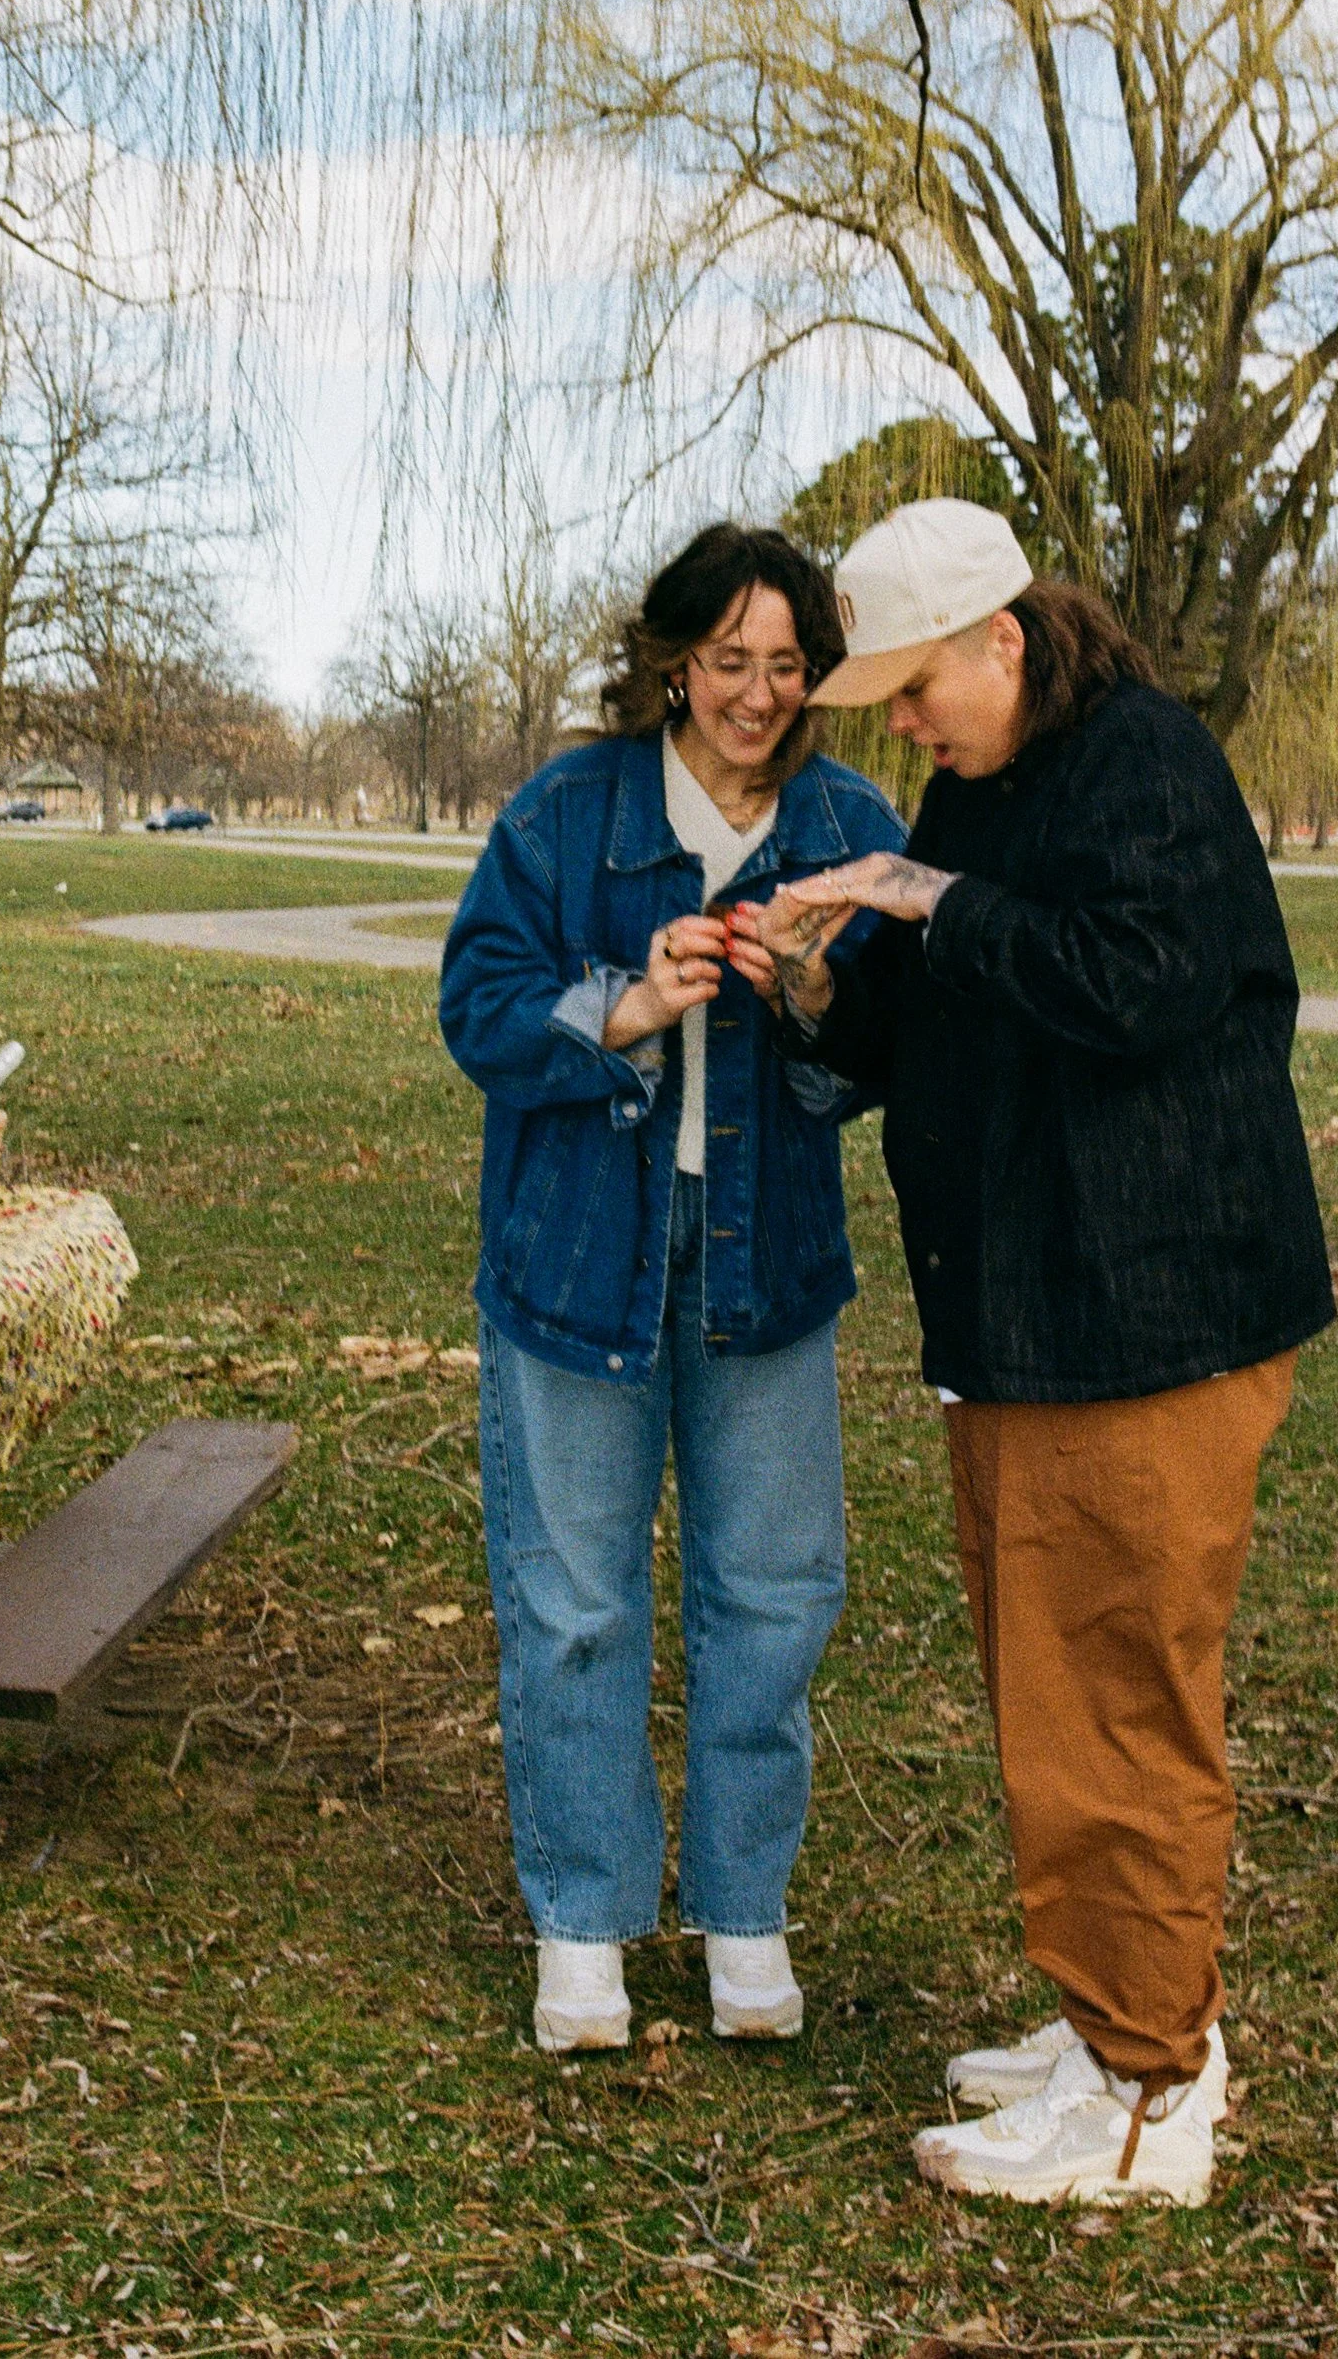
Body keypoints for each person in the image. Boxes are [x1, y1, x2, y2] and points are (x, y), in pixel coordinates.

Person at [726, 498, 1334, 2210]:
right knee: (1056, 1691)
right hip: (1028, 1320)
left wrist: (922, 891)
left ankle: (1145, 2105)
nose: (899, 727)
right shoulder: (988, 784)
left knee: (1116, 1702)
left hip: (1144, 1323)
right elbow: (939, 1020)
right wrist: (820, 988)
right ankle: (1120, 2021)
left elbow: (1134, 984)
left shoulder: (1142, 763)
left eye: (915, 690)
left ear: (1003, 638)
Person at [439, 523, 907, 2056]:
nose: (754, 697)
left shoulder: (849, 820)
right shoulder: (567, 811)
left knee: (771, 1592)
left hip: (765, 1267)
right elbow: (476, 1011)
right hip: (578, 1264)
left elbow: (888, 1063)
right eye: (726, 663)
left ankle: (742, 1915)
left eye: (784, 667)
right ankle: (584, 1927)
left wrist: (821, 990)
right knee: (573, 1601)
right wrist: (626, 1004)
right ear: (671, 664)